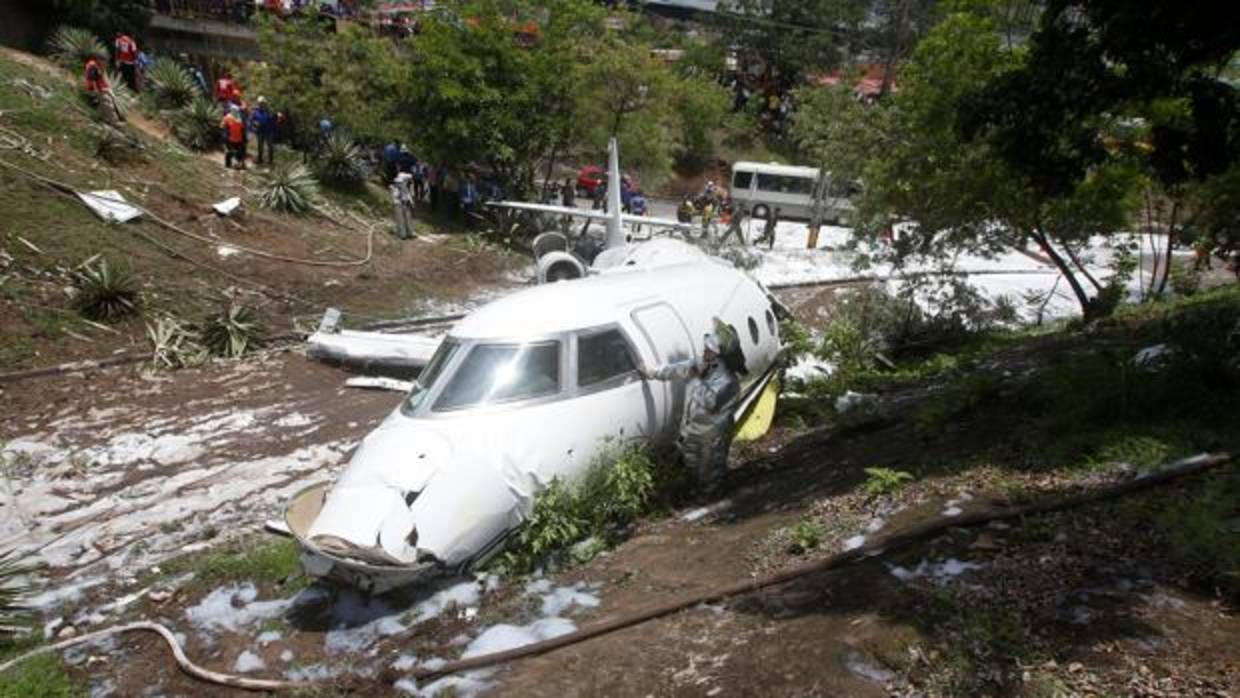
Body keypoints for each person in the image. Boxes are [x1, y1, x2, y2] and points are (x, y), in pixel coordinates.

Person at [640, 332, 740, 496]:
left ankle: (712, 495)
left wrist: (694, 380)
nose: (705, 351)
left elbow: (711, 402)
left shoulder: (728, 381)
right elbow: (677, 369)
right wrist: (653, 372)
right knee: (692, 459)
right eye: (706, 348)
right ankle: (701, 490)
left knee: (712, 464)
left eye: (709, 349)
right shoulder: (701, 364)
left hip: (717, 429)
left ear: (718, 355)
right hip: (697, 426)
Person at [250, 97, 277, 165]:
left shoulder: (268, 111)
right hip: (260, 131)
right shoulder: (255, 112)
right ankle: (260, 159)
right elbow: (252, 120)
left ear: (265, 103)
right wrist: (254, 125)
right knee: (260, 146)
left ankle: (270, 160)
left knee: (270, 146)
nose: (262, 104)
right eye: (260, 103)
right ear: (258, 103)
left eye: (263, 103)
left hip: (268, 131)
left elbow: (273, 119)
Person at [390, 171, 416, 239]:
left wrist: (411, 202)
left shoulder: (404, 187)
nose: (407, 181)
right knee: (400, 220)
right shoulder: (395, 188)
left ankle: (410, 233)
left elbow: (408, 195)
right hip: (398, 205)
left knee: (408, 219)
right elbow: (395, 198)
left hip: (405, 204)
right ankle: (403, 234)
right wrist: (402, 202)